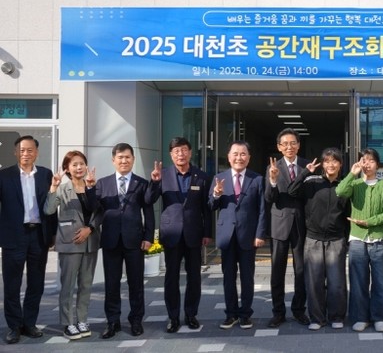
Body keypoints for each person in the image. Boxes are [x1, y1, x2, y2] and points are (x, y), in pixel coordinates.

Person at [148, 137, 213, 333]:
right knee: (171, 277)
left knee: (194, 277)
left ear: (190, 153)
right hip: (171, 233)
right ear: (171, 155)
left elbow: (207, 208)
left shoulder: (201, 176)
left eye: (184, 150)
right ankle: (173, 317)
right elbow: (149, 200)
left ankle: (191, 314)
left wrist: (207, 232)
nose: (180, 154)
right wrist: (154, 182)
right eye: (176, 151)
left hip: (194, 233)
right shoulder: (163, 175)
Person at [96, 142, 157, 339]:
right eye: (120, 157)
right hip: (111, 241)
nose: (124, 161)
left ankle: (136, 320)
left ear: (133, 159)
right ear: (113, 160)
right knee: (111, 284)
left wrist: (148, 237)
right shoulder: (102, 183)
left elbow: (149, 211)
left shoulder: (142, 183)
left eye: (127, 157)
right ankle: (112, 321)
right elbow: (94, 208)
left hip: (134, 241)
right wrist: (88, 188)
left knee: (136, 284)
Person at [0, 135, 57, 345]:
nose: (26, 154)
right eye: (22, 150)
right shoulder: (4, 176)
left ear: (37, 153)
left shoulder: (45, 174)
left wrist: (52, 233)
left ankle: (29, 323)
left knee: (36, 283)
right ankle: (14, 327)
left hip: (38, 236)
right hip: (13, 236)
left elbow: (51, 205)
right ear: (16, 152)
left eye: (30, 150)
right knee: (12, 284)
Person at [288, 148, 350, 330]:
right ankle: (317, 318)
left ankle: (336, 316)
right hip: (313, 238)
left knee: (336, 282)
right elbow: (292, 191)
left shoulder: (344, 185)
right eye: (327, 161)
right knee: (314, 282)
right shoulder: (312, 181)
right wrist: (305, 172)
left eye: (335, 161)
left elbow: (348, 213)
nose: (331, 165)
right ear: (322, 164)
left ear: (340, 164)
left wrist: (346, 238)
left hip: (336, 239)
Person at [336, 148, 383, 333]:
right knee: (358, 281)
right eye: (364, 160)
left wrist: (369, 222)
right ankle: (360, 317)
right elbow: (340, 191)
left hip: (379, 240)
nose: (367, 164)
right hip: (357, 240)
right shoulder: (355, 184)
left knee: (381, 281)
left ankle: (380, 317)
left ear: (377, 164)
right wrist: (352, 174)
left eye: (371, 160)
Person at [209, 141, 267, 330]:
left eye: (243, 154)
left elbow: (262, 210)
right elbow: (211, 206)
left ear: (249, 158)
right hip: (227, 235)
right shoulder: (219, 178)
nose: (239, 157)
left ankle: (245, 314)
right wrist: (216, 194)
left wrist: (260, 234)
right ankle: (231, 314)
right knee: (228, 277)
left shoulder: (257, 179)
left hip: (248, 236)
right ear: (229, 157)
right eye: (235, 154)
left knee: (247, 278)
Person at [43, 151, 99, 340]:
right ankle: (68, 323)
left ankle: (82, 320)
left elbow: (99, 212)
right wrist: (53, 187)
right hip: (70, 243)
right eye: (74, 164)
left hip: (90, 242)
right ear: (67, 168)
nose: (79, 167)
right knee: (67, 286)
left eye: (81, 163)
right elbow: (48, 209)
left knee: (86, 284)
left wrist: (89, 229)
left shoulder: (93, 186)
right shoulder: (62, 188)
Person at [264, 128, 310, 327]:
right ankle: (278, 312)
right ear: (279, 147)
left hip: (301, 224)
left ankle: (299, 310)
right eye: (285, 144)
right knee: (277, 270)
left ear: (298, 145)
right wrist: (273, 180)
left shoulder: (307, 166)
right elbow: (269, 198)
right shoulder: (273, 167)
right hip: (279, 224)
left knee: (301, 270)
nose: (289, 147)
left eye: (293, 143)